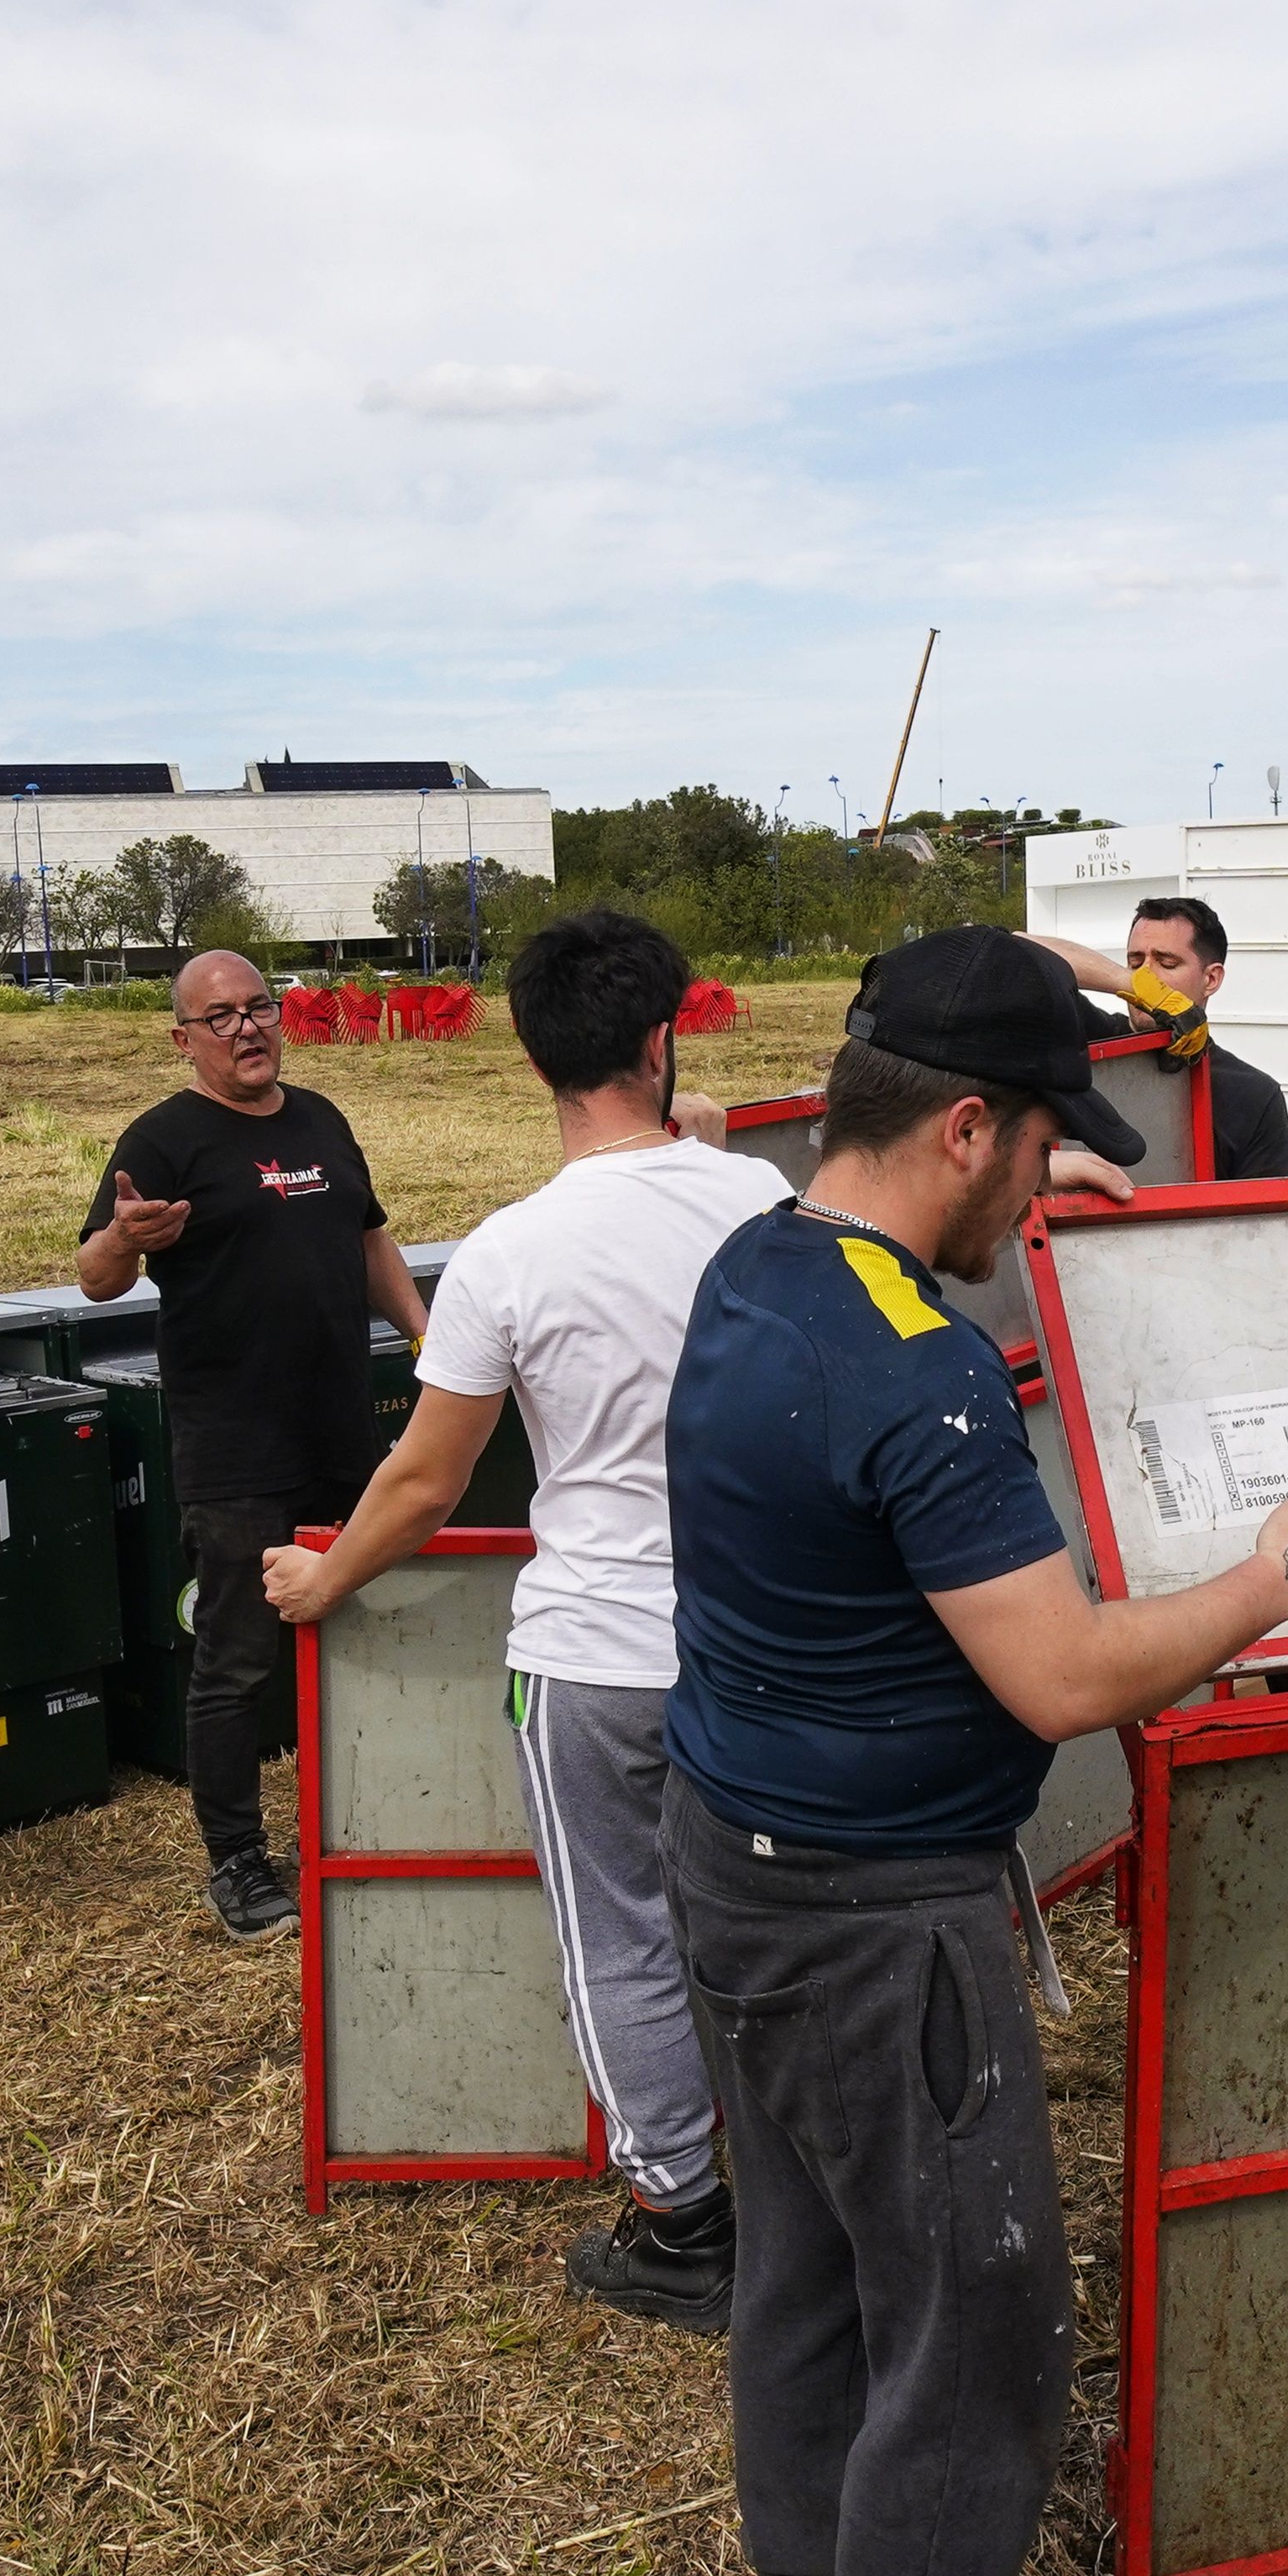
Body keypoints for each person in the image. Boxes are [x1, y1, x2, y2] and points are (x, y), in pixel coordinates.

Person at [666, 925, 1288, 2576]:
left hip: (740, 1864)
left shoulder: (758, 1264)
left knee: (807, 2285)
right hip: (883, 1927)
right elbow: (1062, 1679)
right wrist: (1274, 1583)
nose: (1053, 1171)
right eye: (1040, 1133)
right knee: (975, 2348)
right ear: (962, 1124)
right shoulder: (927, 1373)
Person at [262, 909, 793, 2332]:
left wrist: (325, 1582)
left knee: (619, 1935)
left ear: (533, 1058)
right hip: (764, 1646)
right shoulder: (764, 1209)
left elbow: (427, 1479)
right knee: (783, 1925)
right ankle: (814, 2195)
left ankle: (685, 2222)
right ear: (663, 1040)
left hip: (595, 1663)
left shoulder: (506, 1255)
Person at [75, 947, 431, 1942]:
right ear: (184, 1037)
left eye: (258, 1008)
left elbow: (368, 1240)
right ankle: (237, 1860)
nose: (246, 1028)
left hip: (341, 1430)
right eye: (220, 1016)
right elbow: (95, 1277)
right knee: (235, 1658)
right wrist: (127, 1238)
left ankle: (379, 1818)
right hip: (233, 1442)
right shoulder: (164, 1138)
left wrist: (421, 1332)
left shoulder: (322, 1119)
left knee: (364, 1626)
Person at [1108, 895, 1288, 1180]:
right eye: (1135, 964)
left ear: (1211, 979)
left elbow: (1266, 1221)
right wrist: (1121, 980)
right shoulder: (1086, 1041)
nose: (1144, 979)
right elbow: (1019, 949)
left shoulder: (1252, 1097)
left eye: (1167, 963)